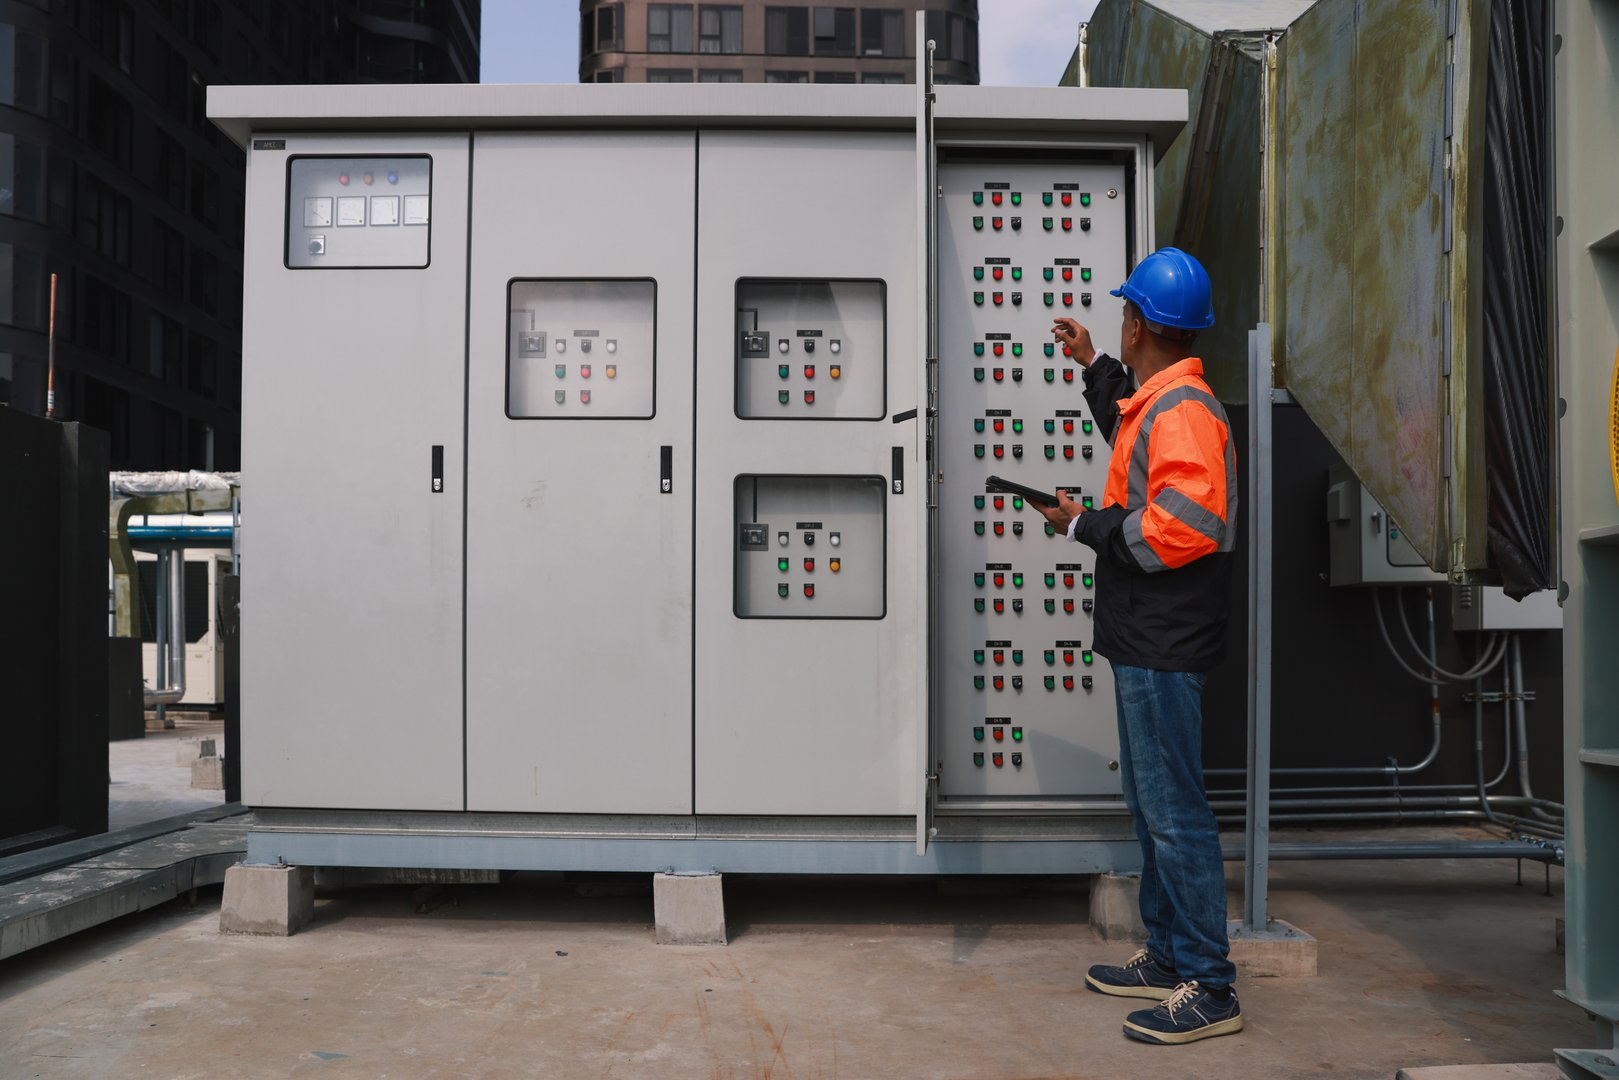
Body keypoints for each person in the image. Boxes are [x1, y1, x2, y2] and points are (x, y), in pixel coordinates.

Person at [1038, 247, 1241, 1045]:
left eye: (1121, 316)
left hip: (1163, 641)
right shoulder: (1159, 401)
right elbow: (1128, 432)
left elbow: (1181, 528)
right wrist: (1091, 363)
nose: (1116, 324)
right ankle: (1167, 956)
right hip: (1144, 635)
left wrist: (1081, 525)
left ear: (1139, 324)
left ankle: (1209, 985)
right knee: (1150, 806)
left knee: (1175, 814)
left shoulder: (1184, 411)